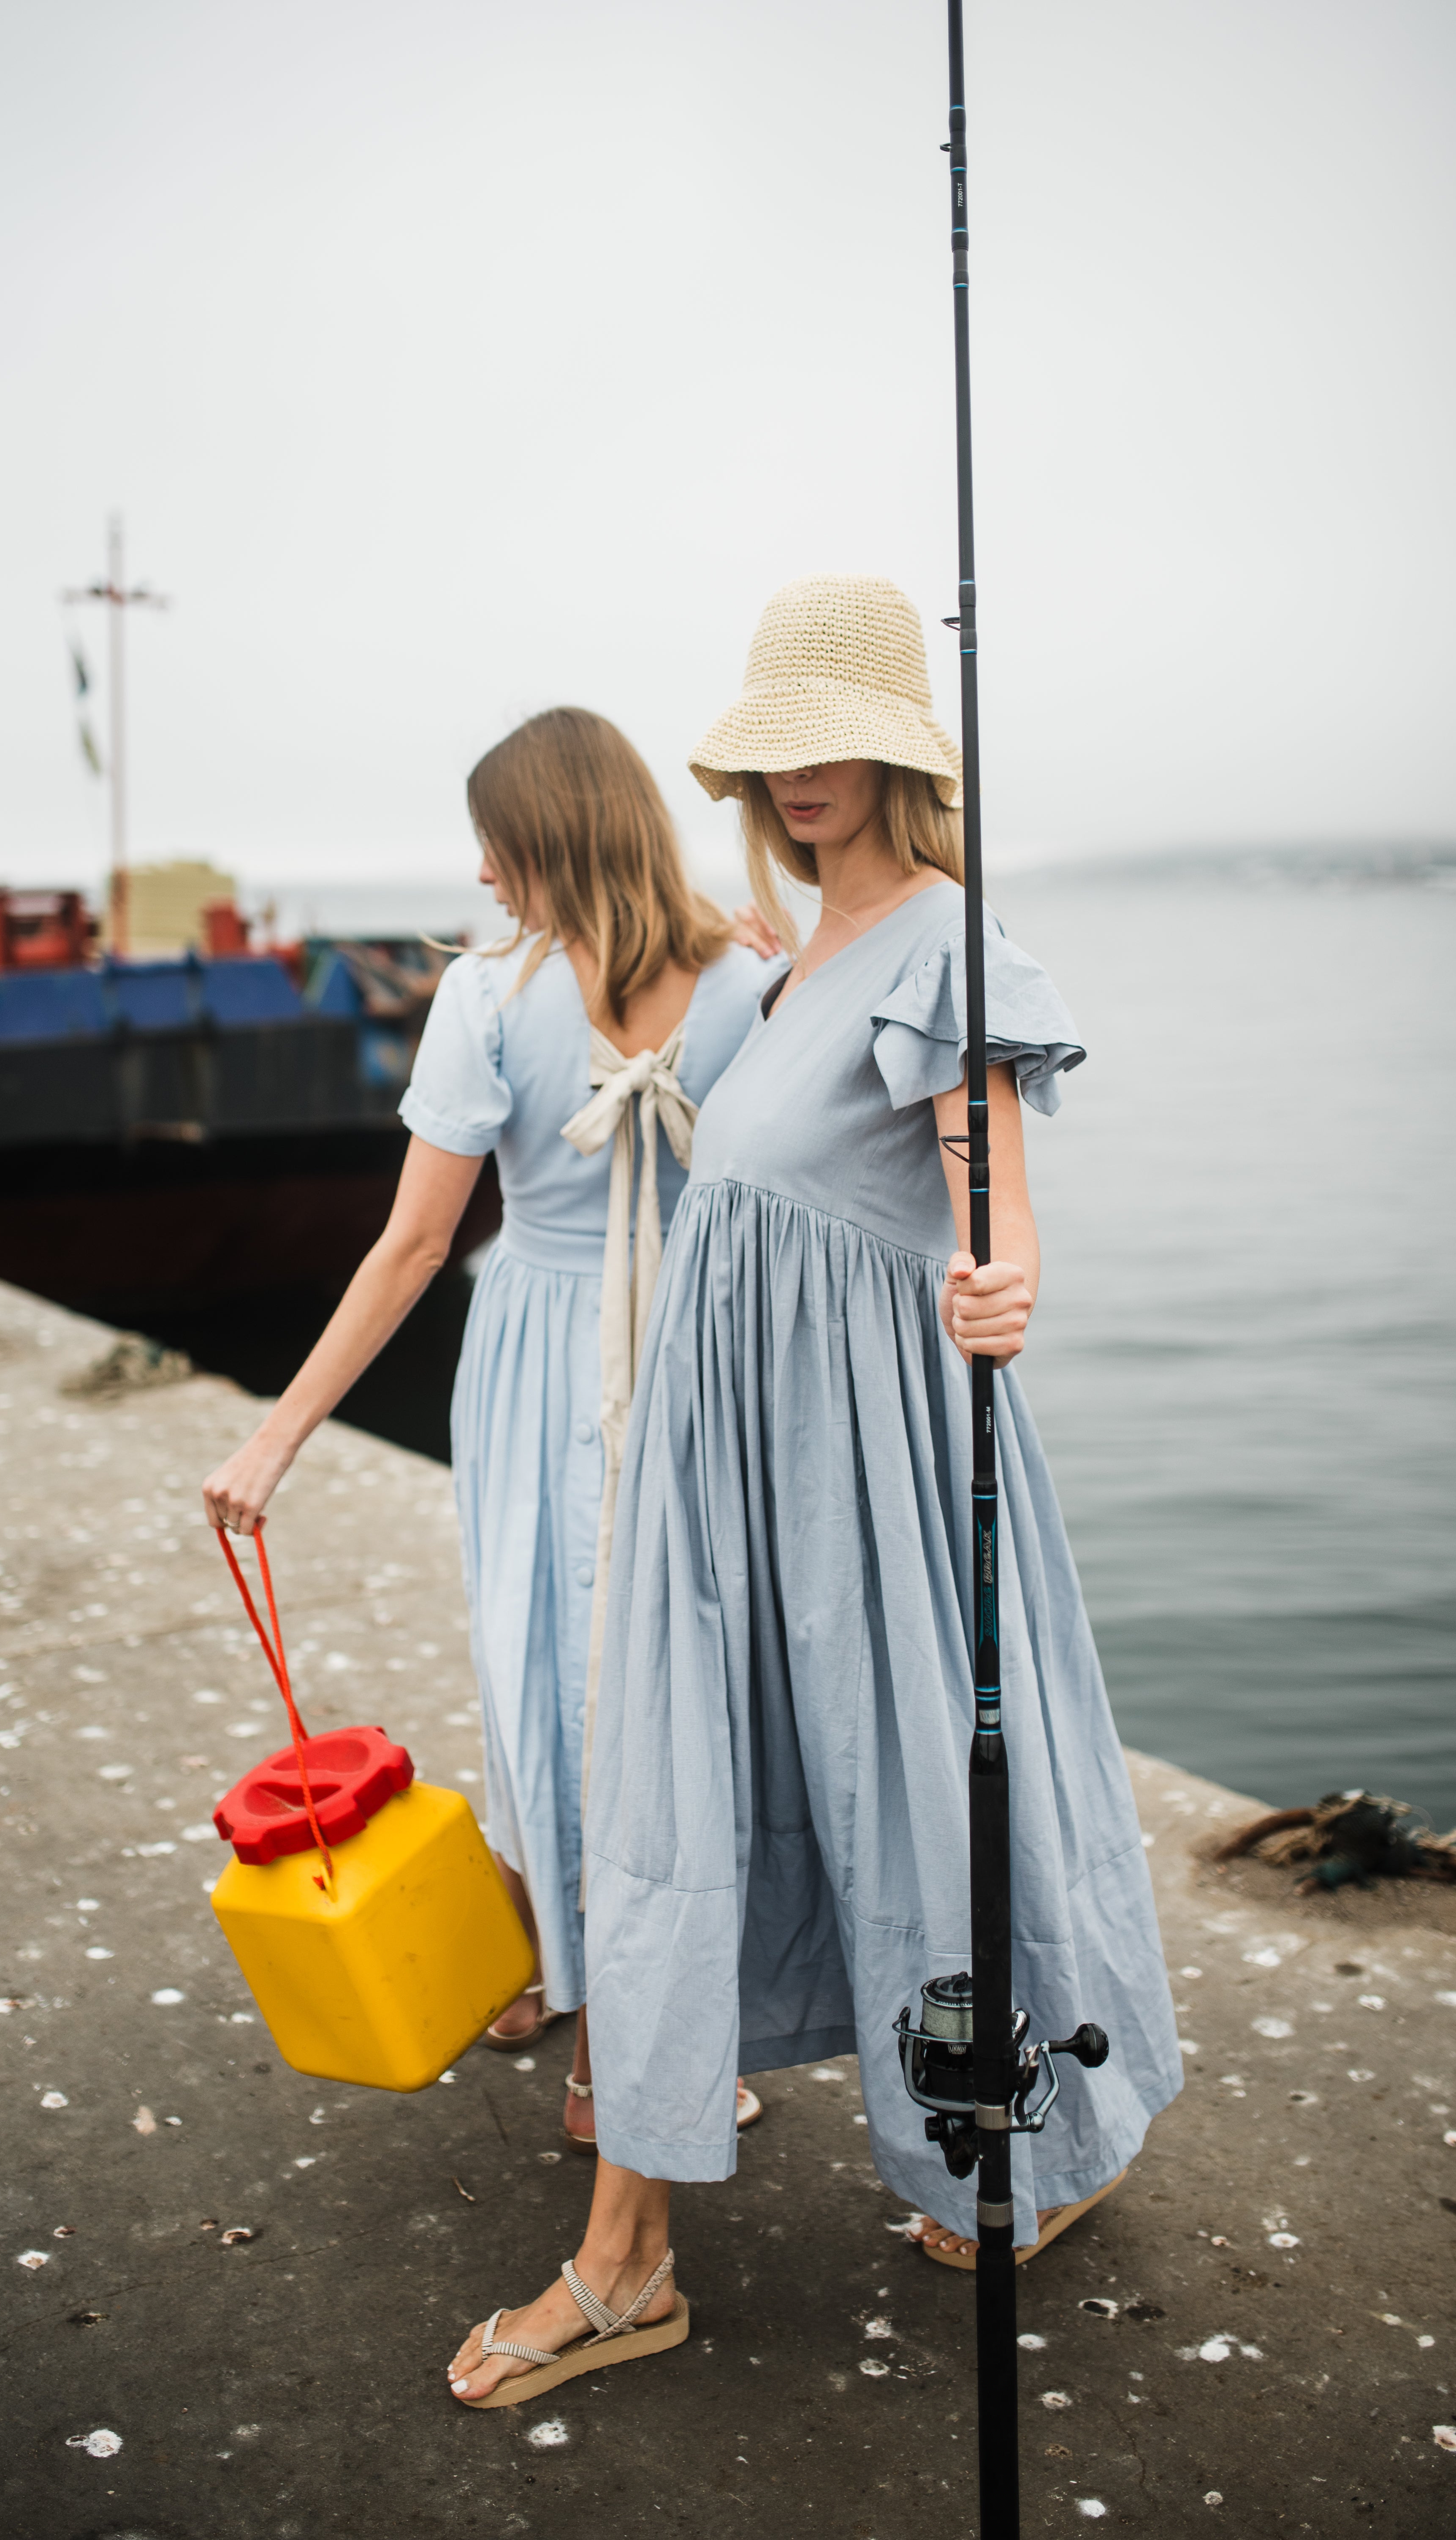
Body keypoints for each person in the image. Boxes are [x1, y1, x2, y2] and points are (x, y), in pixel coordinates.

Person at [445, 578, 1182, 2407]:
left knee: (906, 1795)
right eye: (774, 745)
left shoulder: (942, 941)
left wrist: (1004, 1280)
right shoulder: (781, 966)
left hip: (858, 1473)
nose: (799, 776)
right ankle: (691, 2232)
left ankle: (981, 2155)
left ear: (897, 756)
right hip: (727, 1470)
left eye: (832, 743)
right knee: (692, 1800)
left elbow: (978, 1180)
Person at [203, 705, 775, 2151]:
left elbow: (409, 1252)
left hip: (537, 1352)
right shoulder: (745, 980)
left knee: (545, 1667)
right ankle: (603, 1981)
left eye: (497, 844)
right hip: (692, 1350)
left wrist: (276, 1439)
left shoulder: (485, 1000)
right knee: (669, 1685)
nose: (479, 874)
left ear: (549, 842)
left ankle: (601, 2026)